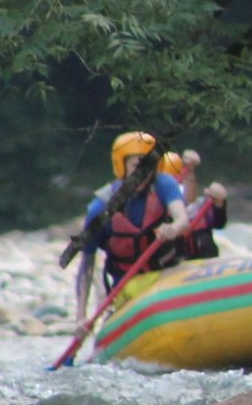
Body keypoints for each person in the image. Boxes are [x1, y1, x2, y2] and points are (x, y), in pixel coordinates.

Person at [73, 131, 189, 338]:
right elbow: (87, 262)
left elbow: (181, 218)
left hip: (168, 275)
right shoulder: (100, 209)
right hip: (126, 285)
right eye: (137, 165)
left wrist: (173, 228)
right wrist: (81, 316)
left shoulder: (164, 185)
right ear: (122, 166)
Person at [159, 149, 228, 260]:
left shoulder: (201, 206)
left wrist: (219, 204)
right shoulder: (154, 214)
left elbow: (220, 223)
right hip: (174, 268)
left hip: (205, 263)